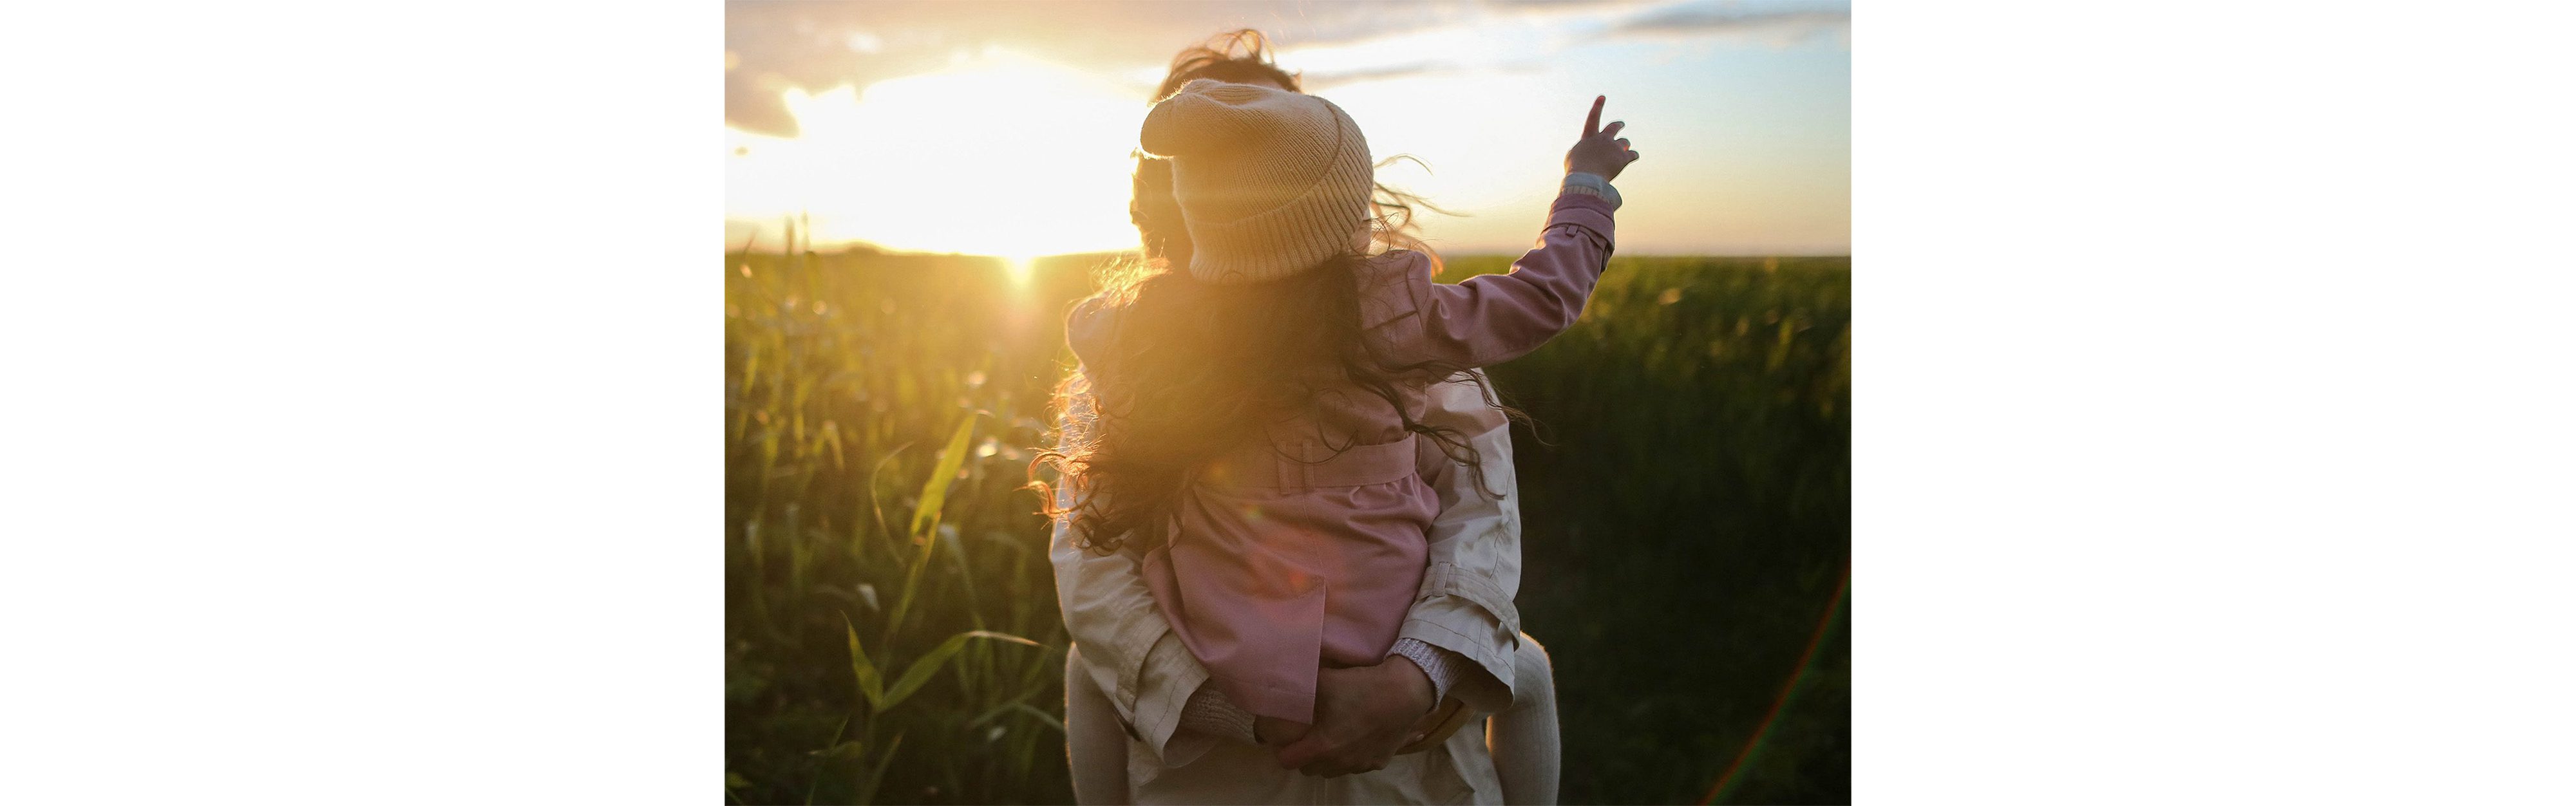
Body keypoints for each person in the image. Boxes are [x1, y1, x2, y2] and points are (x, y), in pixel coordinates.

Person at [1043, 31, 1638, 804]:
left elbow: (1477, 524)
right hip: (1245, 734)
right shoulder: (1398, 325)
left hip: (1339, 713)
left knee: (1085, 670)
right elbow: (1541, 299)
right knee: (1524, 666)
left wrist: (1404, 682)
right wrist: (1585, 190)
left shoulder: (1139, 339)